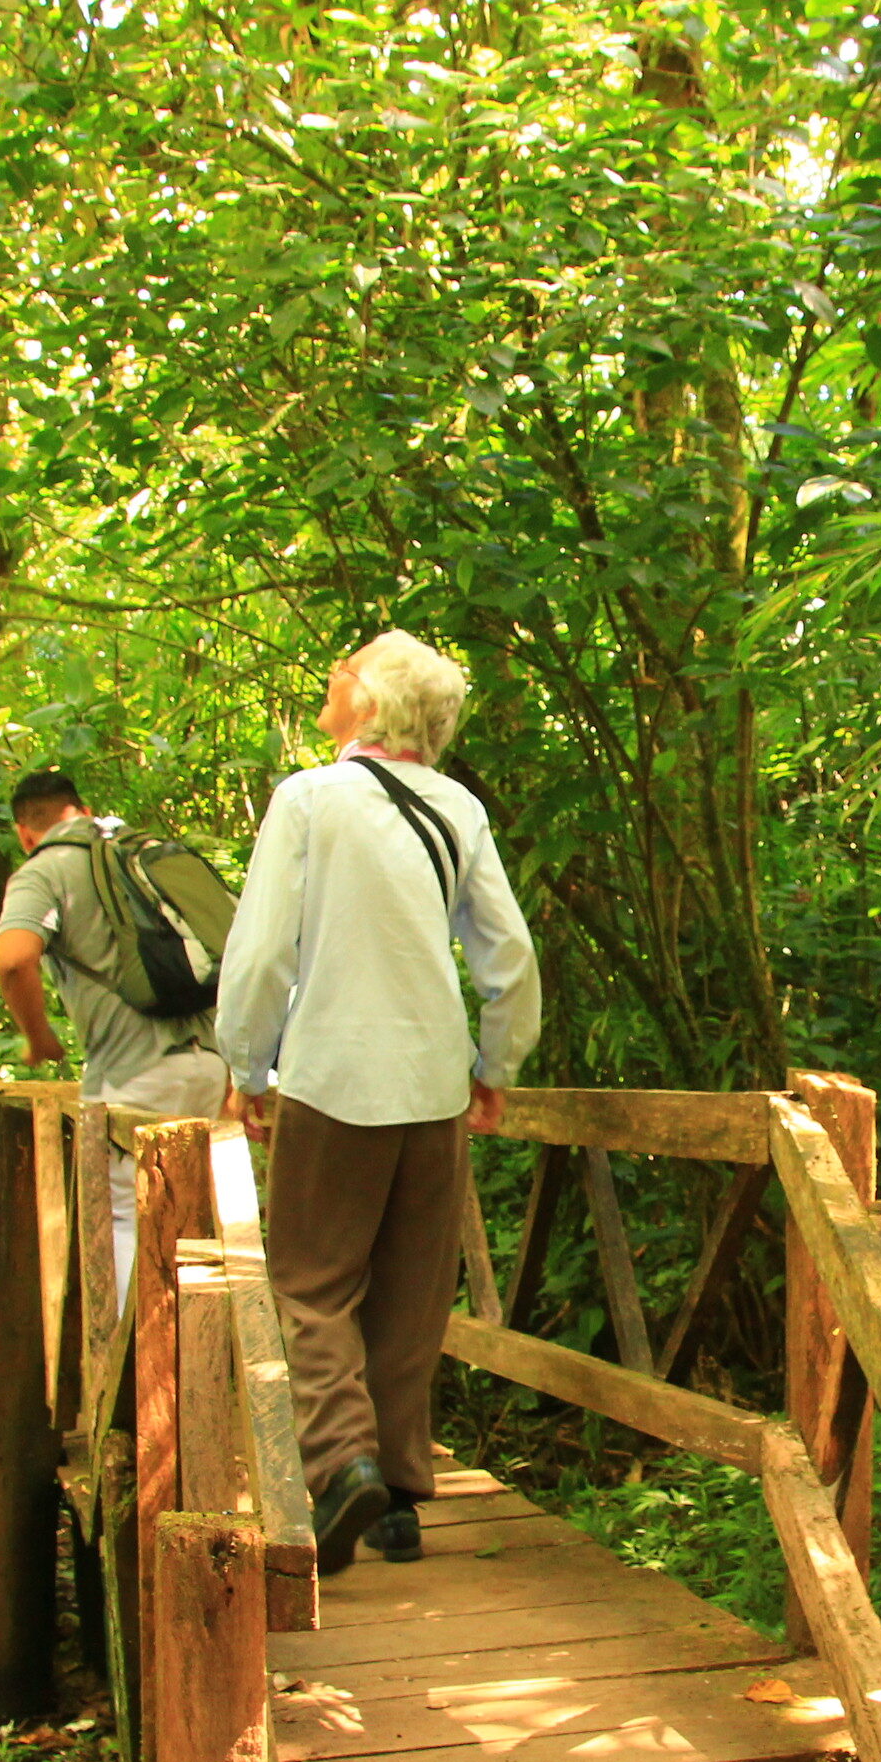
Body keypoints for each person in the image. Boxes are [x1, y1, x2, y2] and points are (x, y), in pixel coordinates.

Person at [216, 631, 539, 1574]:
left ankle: (341, 1461)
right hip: (433, 1083)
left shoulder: (311, 800)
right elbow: (508, 957)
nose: (331, 675)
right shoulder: (458, 809)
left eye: (344, 668)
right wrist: (496, 1065)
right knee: (406, 1293)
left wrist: (245, 1065)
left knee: (312, 1285)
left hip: (331, 1078)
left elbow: (264, 949)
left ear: (372, 703)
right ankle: (398, 1500)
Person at [0, 769, 231, 1293]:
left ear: (24, 832)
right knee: (191, 1222)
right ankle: (196, 1363)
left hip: (134, 1071)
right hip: (210, 1063)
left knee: (125, 1218)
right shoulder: (135, 855)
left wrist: (39, 1038)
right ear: (79, 808)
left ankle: (132, 1372)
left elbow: (13, 960)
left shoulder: (45, 870)